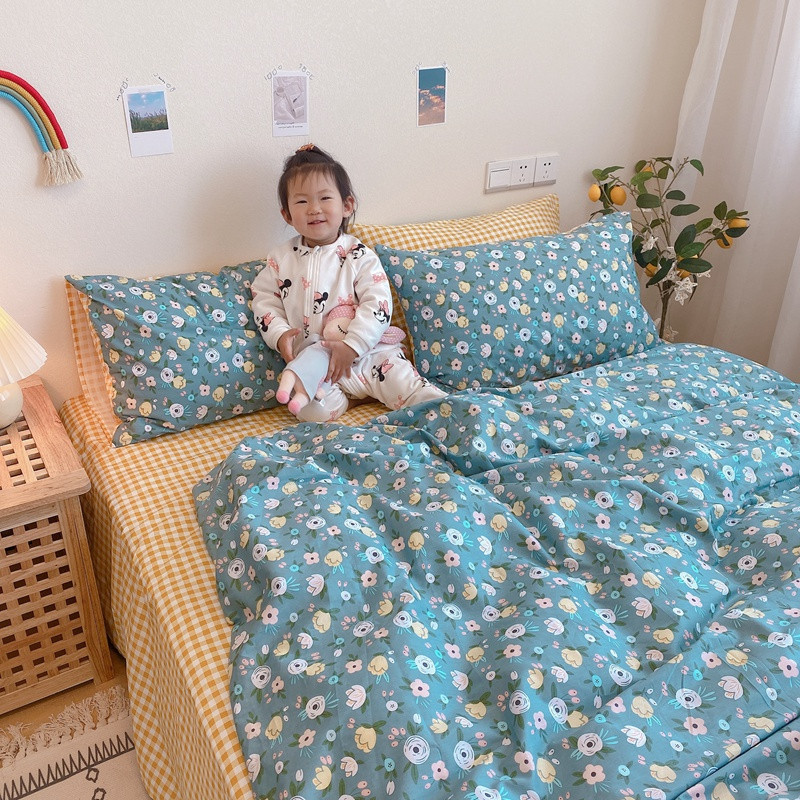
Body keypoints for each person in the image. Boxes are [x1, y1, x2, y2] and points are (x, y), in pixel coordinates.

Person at [251, 144, 446, 422]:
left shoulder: (358, 255)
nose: (314, 209)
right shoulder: (280, 259)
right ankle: (352, 398)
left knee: (413, 390)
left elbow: (378, 304)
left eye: (324, 198)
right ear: (287, 214)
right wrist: (280, 334)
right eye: (302, 202)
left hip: (371, 355)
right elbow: (264, 299)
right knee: (309, 412)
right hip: (320, 362)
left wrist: (353, 345)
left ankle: (453, 413)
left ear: (346, 205)